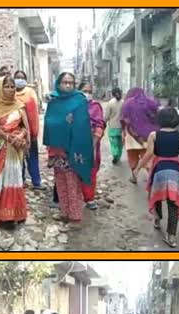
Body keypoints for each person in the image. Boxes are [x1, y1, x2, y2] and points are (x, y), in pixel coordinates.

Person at [43, 72, 94, 228]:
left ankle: (75, 216)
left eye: (71, 82)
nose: (67, 85)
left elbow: (82, 126)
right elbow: (49, 123)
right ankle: (64, 212)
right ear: (58, 84)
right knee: (60, 183)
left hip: (73, 149)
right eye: (64, 82)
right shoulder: (54, 101)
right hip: (57, 150)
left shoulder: (79, 100)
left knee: (72, 185)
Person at [134, 107, 179, 248]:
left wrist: (138, 167)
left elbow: (148, 154)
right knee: (173, 204)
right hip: (175, 171)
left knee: (157, 197)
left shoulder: (154, 135)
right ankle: (171, 237)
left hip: (159, 170)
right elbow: (178, 150)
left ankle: (157, 220)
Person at [0, 76, 29, 226]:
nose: (10, 90)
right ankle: (2, 216)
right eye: (7, 86)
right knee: (1, 181)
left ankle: (16, 212)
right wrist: (8, 137)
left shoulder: (19, 105)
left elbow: (24, 126)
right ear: (0, 88)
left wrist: (21, 135)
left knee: (14, 178)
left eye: (12, 87)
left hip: (15, 148)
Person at [121, 87, 159, 184]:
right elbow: (156, 119)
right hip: (148, 137)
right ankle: (152, 181)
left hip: (131, 136)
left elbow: (124, 121)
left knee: (132, 158)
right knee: (148, 160)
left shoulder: (127, 104)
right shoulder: (150, 103)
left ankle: (134, 176)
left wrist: (123, 133)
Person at [13, 70, 43, 189]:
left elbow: (34, 113)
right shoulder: (10, 93)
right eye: (17, 77)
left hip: (30, 129)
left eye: (22, 77)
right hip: (15, 131)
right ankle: (21, 181)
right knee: (18, 157)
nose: (19, 80)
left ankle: (36, 182)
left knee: (32, 156)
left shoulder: (30, 92)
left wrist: (33, 132)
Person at [79, 82, 106, 210]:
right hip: (75, 144)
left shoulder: (96, 106)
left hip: (92, 144)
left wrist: (93, 145)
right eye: (85, 91)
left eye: (90, 92)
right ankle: (76, 196)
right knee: (75, 169)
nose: (87, 94)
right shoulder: (74, 106)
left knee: (90, 171)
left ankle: (89, 198)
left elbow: (100, 125)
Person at [105, 87, 124, 165]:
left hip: (113, 127)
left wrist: (104, 123)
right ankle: (118, 157)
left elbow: (106, 116)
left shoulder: (110, 103)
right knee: (120, 144)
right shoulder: (124, 102)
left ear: (112, 94)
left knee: (114, 144)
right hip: (122, 127)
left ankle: (115, 155)